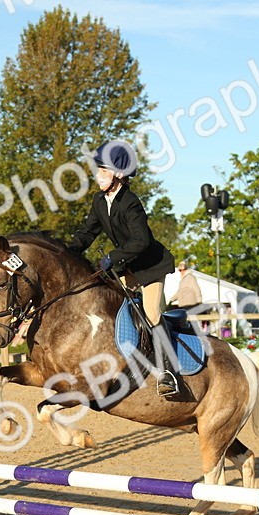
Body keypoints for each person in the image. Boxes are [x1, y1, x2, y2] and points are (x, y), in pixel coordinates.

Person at [68, 139, 181, 398]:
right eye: (98, 170)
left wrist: (112, 256)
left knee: (151, 312)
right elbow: (87, 233)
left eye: (103, 171)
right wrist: (67, 252)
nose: (97, 176)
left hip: (151, 265)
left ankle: (167, 372)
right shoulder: (100, 200)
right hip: (128, 264)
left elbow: (141, 241)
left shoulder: (131, 203)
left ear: (119, 175)